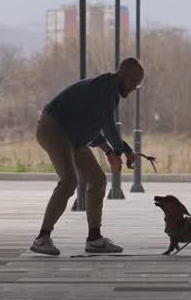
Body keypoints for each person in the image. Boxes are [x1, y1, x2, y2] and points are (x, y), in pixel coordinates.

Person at [30, 58, 144, 256]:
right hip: (54, 129)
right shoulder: (105, 91)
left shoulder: (108, 90)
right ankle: (42, 238)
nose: (134, 87)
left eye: (138, 84)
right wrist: (124, 150)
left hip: (73, 136)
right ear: (122, 74)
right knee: (69, 180)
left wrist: (108, 151)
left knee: (98, 180)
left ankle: (94, 239)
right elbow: (108, 127)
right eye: (133, 82)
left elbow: (90, 124)